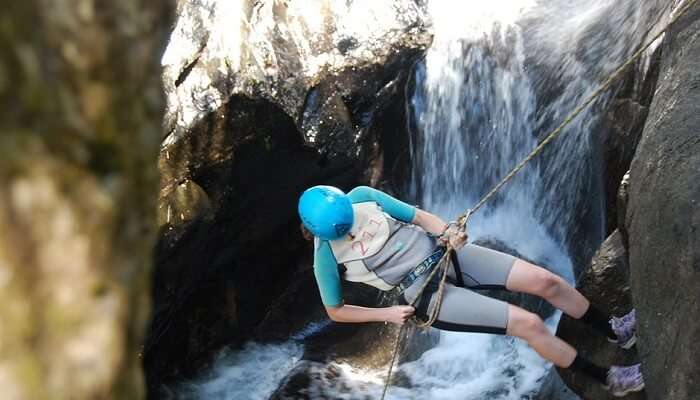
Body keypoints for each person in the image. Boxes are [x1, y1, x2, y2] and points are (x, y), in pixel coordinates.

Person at [298, 185, 644, 397]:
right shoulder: (325, 258)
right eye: (344, 233)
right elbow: (336, 310)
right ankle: (611, 379)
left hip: (447, 255)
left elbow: (419, 217)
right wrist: (386, 314)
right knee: (530, 324)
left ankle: (616, 331)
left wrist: (447, 231)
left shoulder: (362, 198)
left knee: (546, 281)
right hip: (426, 296)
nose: (353, 234)